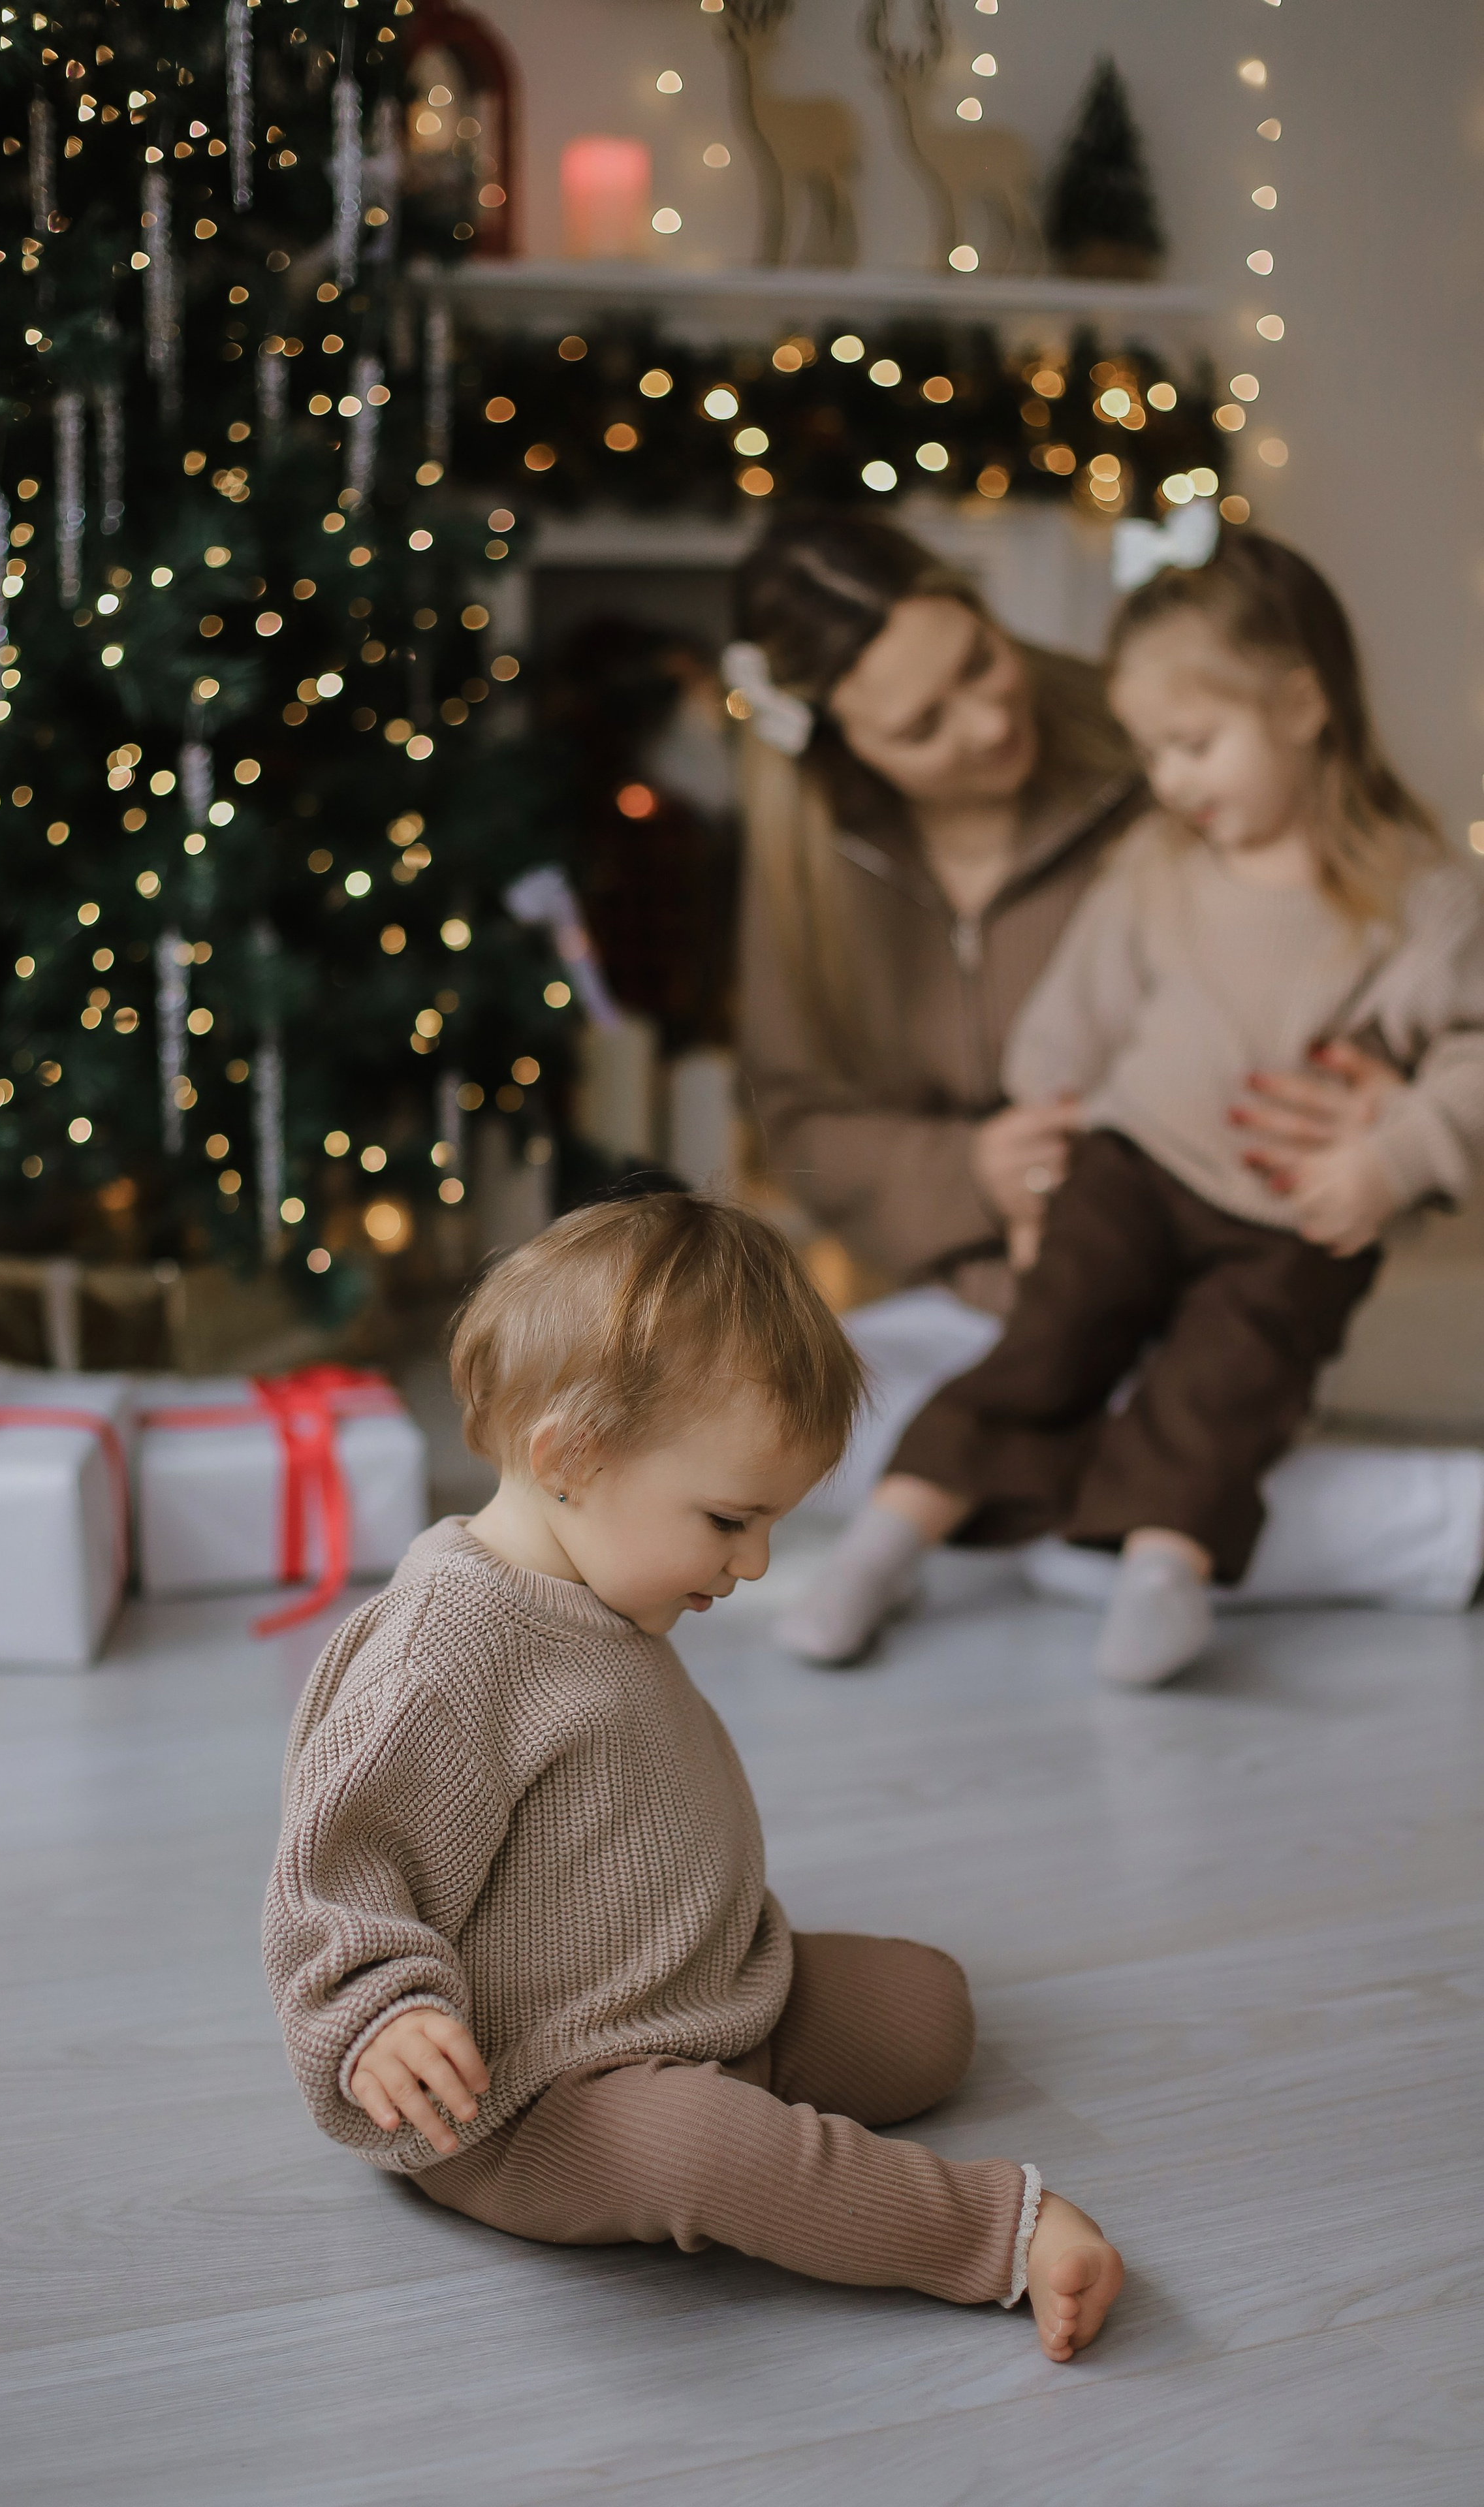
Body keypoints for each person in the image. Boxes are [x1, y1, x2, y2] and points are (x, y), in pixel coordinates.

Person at [263, 1192, 1124, 2359]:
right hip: (530, 2096)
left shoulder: (598, 1583)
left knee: (930, 2009)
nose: (757, 1563)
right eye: (730, 1519)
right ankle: (993, 2235)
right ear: (571, 1457)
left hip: (693, 1990)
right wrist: (380, 2018)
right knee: (714, 2155)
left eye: (770, 1524)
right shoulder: (442, 1652)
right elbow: (331, 1879)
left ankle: (731, 2064)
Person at [734, 507, 1484, 1620]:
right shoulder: (815, 871)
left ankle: (1416, 1519)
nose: (990, 720)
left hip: (1230, 1264)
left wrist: (1393, 1126)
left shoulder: (1169, 757)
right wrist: (978, 1171)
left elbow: (1393, 991)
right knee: (775, 1428)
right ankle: (1099, 1520)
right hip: (997, 1294)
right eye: (925, 724)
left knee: (1189, 1426)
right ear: (843, 742)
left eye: (982, 662)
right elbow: (798, 1116)